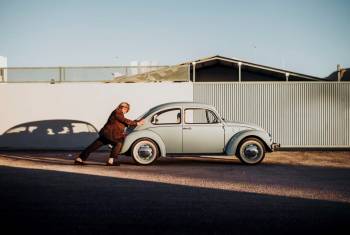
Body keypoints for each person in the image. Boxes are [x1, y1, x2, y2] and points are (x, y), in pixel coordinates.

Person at [74, 102, 144, 166]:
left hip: (107, 134)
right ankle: (111, 161)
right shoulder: (118, 112)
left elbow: (124, 121)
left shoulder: (118, 113)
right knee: (118, 143)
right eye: (126, 110)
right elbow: (124, 120)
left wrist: (137, 121)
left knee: (93, 146)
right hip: (109, 134)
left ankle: (80, 159)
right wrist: (137, 123)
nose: (126, 111)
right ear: (124, 108)